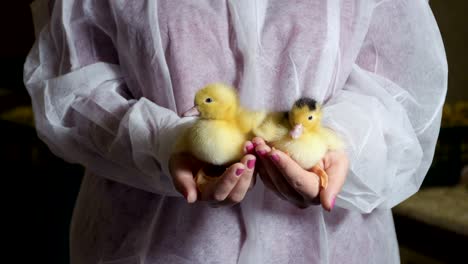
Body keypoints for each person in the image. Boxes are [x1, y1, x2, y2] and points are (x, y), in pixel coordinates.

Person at [24, 0, 447, 263]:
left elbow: (400, 89)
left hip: (336, 249)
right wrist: (163, 142)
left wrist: (341, 146)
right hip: (150, 247)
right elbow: (70, 85)